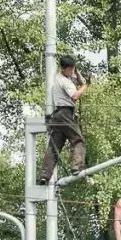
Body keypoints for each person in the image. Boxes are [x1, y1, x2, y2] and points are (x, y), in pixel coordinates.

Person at [39, 55, 88, 184]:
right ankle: (77, 166)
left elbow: (78, 80)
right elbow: (75, 96)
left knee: (54, 146)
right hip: (65, 113)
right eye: (71, 69)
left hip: (57, 116)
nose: (73, 72)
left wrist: (77, 73)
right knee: (78, 140)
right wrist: (86, 86)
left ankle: (45, 175)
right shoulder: (65, 81)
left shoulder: (58, 78)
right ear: (65, 68)